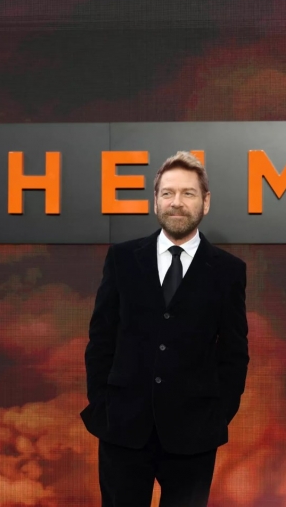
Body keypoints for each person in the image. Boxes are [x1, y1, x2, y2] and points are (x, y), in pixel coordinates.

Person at [80, 151, 249, 507]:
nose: (176, 202)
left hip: (194, 435)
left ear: (205, 202)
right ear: (155, 200)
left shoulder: (228, 271)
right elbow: (101, 340)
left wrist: (217, 415)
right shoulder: (122, 259)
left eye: (188, 193)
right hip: (123, 428)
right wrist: (103, 403)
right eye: (168, 193)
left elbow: (234, 353)